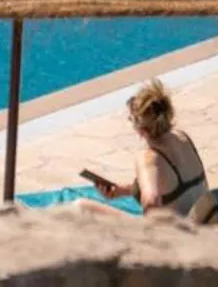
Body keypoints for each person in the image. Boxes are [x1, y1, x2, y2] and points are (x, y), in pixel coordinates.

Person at [85, 80, 207, 217]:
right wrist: (120, 191)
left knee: (82, 207)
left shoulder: (149, 158)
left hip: (176, 229)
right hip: (201, 221)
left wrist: (145, 228)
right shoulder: (183, 138)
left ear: (141, 128)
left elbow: (151, 201)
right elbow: (173, 188)